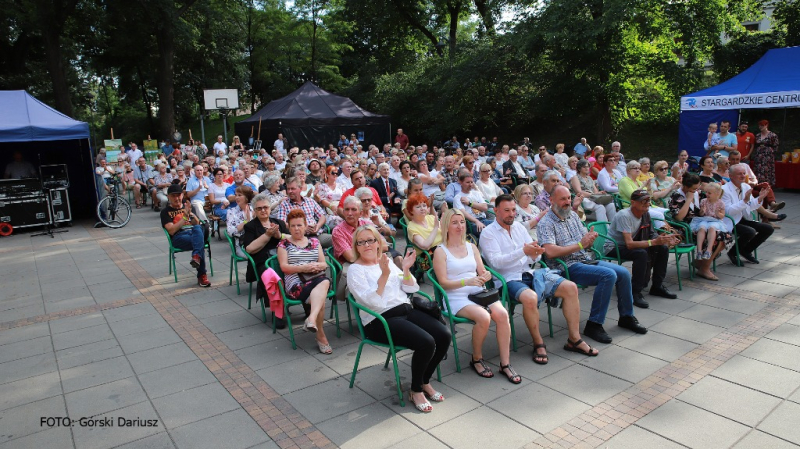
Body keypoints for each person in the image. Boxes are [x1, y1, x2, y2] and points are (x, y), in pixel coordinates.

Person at [481, 194, 599, 358]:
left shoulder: (520, 228)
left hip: (530, 272)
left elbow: (535, 256)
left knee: (570, 287)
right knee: (530, 298)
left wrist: (535, 253)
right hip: (508, 279)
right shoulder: (488, 233)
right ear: (495, 211)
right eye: (506, 210)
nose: (511, 214)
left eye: (514, 210)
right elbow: (496, 263)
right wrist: (524, 252)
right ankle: (538, 343)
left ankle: (574, 338)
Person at [348, 225, 450, 413]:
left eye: (370, 240)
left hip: (405, 310)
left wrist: (405, 269)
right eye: (361, 242)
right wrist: (385, 275)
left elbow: (411, 289)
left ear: (378, 243)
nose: (366, 245)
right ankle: (416, 390)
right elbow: (372, 302)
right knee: (426, 342)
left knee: (443, 335)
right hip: (379, 320)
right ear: (356, 246)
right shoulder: (355, 270)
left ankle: (424, 381)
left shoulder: (385, 260)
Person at [538, 186, 647, 343]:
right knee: (608, 275)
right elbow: (550, 252)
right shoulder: (546, 223)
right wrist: (581, 245)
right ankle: (594, 325)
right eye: (563, 199)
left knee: (622, 273)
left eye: (569, 198)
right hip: (565, 267)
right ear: (551, 200)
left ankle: (626, 316)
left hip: (585, 259)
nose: (567, 202)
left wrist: (590, 239)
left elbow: (585, 243)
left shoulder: (573, 217)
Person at [434, 209, 521, 383]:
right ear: (446, 226)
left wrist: (486, 275)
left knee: (503, 315)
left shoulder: (471, 246)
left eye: (462, 222)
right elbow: (442, 283)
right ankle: (476, 358)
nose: (460, 226)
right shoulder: (440, 251)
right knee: (484, 317)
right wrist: (467, 282)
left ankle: (505, 363)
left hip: (477, 292)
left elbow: (482, 271)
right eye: (455, 222)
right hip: (455, 295)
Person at [605, 189, 679, 308]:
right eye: (642, 201)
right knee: (641, 253)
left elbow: (651, 234)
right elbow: (629, 244)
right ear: (633, 202)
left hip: (633, 243)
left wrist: (664, 238)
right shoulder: (624, 215)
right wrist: (654, 241)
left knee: (663, 248)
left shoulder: (645, 213)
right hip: (615, 247)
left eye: (648, 200)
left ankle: (657, 286)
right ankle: (635, 292)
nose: (646, 203)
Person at [277, 209, 333, 354]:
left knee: (324, 282)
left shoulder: (314, 241)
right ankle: (320, 334)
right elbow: (284, 267)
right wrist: (303, 268)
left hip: (316, 278)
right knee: (321, 298)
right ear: (288, 227)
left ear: (305, 225)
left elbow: (324, 263)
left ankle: (312, 319)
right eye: (293, 225)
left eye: (299, 225)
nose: (296, 229)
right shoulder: (283, 244)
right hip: (296, 283)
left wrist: (316, 266)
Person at [668, 174, 732, 280]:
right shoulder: (676, 196)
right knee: (719, 236)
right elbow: (679, 218)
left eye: (698, 187)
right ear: (686, 186)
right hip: (686, 227)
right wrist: (688, 200)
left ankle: (701, 262)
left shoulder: (698, 194)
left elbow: (712, 201)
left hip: (702, 222)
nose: (697, 190)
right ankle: (704, 268)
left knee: (725, 236)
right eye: (694, 188)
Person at [721, 164, 772, 266]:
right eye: (739, 174)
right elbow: (728, 211)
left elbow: (751, 206)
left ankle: (745, 250)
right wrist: (744, 201)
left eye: (744, 173)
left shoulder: (746, 186)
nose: (743, 176)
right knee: (750, 231)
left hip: (743, 217)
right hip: (730, 220)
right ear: (731, 176)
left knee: (768, 228)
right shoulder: (724, 189)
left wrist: (760, 198)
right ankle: (733, 253)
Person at [161, 183, 211, 287]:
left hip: (193, 233)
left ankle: (196, 257)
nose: (176, 198)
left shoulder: (188, 206)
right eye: (173, 196)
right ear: (168, 197)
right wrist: (184, 217)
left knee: (197, 228)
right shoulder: (166, 212)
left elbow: (197, 223)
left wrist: (190, 214)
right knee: (199, 242)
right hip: (179, 237)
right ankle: (202, 275)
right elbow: (171, 230)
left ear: (182, 195)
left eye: (178, 195)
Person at [276, 177, 333, 248]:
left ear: (300, 189)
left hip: (317, 234)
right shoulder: (284, 204)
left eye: (293, 189)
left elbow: (322, 216)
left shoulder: (310, 201)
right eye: (288, 189)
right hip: (298, 237)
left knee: (336, 239)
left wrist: (317, 227)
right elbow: (282, 223)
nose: (290, 191)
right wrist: (303, 228)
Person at [692, 183, 727, 260]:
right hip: (705, 219)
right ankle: (699, 250)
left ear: (717, 194)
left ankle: (709, 250)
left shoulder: (720, 203)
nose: (707, 194)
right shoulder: (704, 201)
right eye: (706, 192)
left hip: (715, 220)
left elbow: (722, 216)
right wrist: (702, 211)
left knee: (712, 228)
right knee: (701, 227)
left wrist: (718, 213)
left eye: (709, 193)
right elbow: (701, 214)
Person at [453, 170, 492, 238]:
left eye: (471, 182)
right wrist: (476, 221)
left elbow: (485, 207)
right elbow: (463, 213)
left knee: (501, 225)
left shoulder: (476, 193)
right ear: (461, 183)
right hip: (471, 223)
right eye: (467, 182)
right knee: (487, 231)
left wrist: (470, 203)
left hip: (483, 219)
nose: (470, 184)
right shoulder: (458, 197)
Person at [226, 185, 255, 258]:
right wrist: (246, 222)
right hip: (242, 244)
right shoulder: (231, 212)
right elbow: (230, 232)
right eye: (236, 195)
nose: (237, 197)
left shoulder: (254, 209)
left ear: (246, 197)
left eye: (240, 195)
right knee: (257, 256)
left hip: (256, 241)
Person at [752, 120, 779, 187]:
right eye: (759, 125)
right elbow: (755, 145)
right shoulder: (758, 135)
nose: (760, 127)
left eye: (762, 125)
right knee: (758, 169)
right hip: (759, 155)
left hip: (768, 156)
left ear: (766, 125)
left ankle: (767, 185)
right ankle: (758, 185)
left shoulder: (772, 135)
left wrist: (771, 153)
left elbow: (776, 146)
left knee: (767, 170)